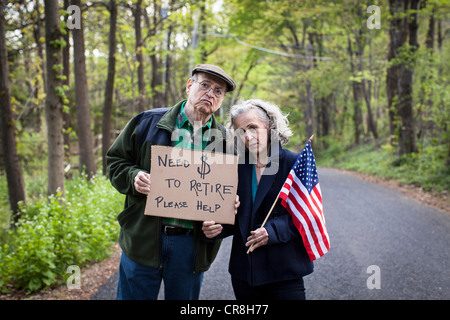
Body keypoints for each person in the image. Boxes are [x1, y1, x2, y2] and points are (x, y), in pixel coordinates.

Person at [106, 64, 239, 300]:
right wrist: (133, 176)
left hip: (191, 247)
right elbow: (115, 161)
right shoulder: (146, 122)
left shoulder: (226, 142)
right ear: (189, 86)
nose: (211, 93)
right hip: (143, 238)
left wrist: (224, 215)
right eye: (205, 85)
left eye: (218, 91)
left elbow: (230, 196)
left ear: (222, 99)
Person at [202, 99, 314, 300]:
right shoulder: (235, 166)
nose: (248, 136)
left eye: (253, 127)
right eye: (241, 131)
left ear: (270, 125)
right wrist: (216, 227)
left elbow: (308, 214)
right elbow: (234, 218)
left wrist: (272, 231)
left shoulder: (294, 163)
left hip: (284, 272)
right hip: (245, 273)